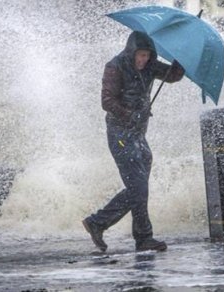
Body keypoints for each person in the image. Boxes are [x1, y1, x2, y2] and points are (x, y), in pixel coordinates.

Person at [82, 31, 185, 252]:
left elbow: (173, 76)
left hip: (138, 135)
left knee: (140, 188)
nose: (143, 60)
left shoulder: (150, 65)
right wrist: (130, 115)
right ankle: (98, 222)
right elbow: (106, 101)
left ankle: (142, 238)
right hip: (120, 135)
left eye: (147, 56)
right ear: (131, 52)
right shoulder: (115, 66)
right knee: (138, 188)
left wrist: (181, 59)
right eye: (140, 55)